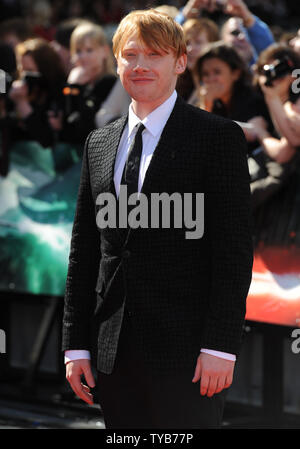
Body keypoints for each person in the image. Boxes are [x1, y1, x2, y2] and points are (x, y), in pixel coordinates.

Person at [62, 9, 253, 429]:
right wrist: (76, 346)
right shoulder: (99, 143)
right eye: (130, 54)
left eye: (155, 54)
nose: (141, 65)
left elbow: (234, 250)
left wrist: (221, 346)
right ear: (117, 63)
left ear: (180, 62)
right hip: (112, 355)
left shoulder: (217, 137)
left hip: (189, 357)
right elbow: (85, 252)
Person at [193, 41, 270, 151]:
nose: (211, 79)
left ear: (235, 74)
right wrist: (207, 105)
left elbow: (254, 133)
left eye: (217, 72)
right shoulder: (212, 103)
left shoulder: (252, 99)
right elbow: (198, 137)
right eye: (205, 74)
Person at [52, 22, 117, 147]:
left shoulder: (110, 82)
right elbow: (67, 125)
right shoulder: (75, 80)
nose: (83, 56)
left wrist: (76, 87)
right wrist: (72, 87)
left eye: (89, 50)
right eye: (78, 51)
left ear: (104, 51)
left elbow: (87, 128)